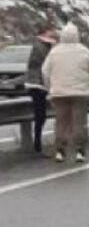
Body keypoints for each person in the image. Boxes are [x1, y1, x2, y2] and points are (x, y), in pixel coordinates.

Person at [41, 23, 89, 163]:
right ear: (77, 36)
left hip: (59, 93)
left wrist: (50, 86)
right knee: (79, 122)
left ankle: (60, 151)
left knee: (61, 122)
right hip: (80, 93)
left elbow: (45, 70)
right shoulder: (84, 51)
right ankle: (79, 150)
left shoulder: (55, 51)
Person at [25, 23, 58, 153]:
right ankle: (37, 145)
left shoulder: (43, 45)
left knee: (41, 115)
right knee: (40, 115)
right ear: (45, 32)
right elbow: (43, 65)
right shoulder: (40, 46)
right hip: (37, 84)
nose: (53, 33)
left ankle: (37, 144)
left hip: (38, 83)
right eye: (51, 31)